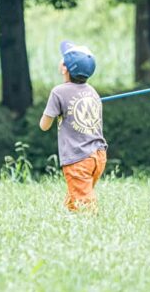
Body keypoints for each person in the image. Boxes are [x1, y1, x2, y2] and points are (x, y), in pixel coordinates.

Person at [40, 41, 108, 211]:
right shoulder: (93, 92)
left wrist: (54, 111)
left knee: (84, 203)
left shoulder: (58, 92)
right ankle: (69, 220)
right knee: (76, 195)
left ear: (65, 68)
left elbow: (44, 125)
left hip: (78, 157)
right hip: (98, 155)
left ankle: (92, 230)